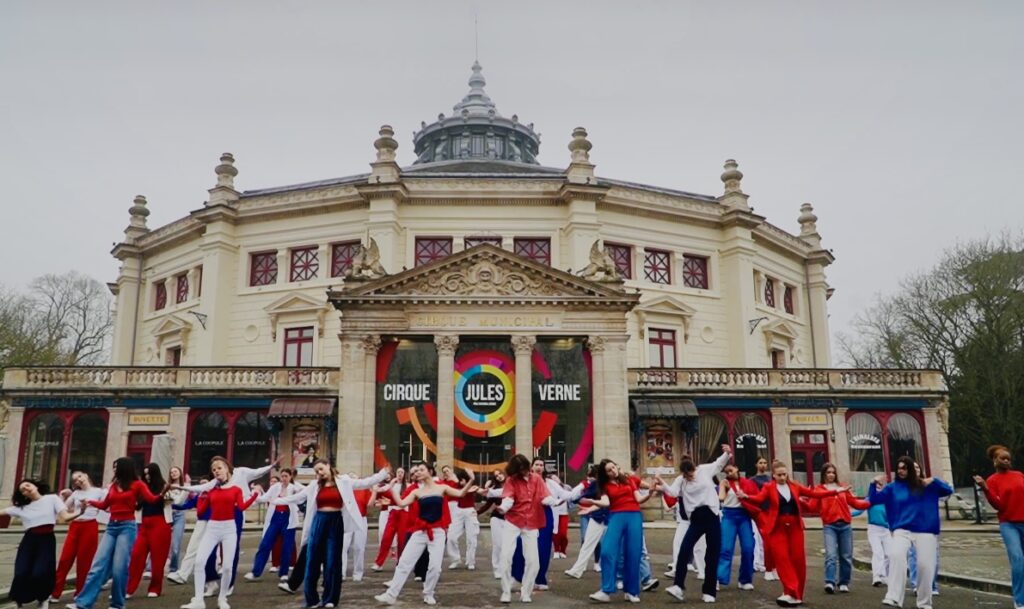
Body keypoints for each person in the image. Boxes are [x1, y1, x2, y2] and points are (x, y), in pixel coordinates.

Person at [272, 460, 390, 609]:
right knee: (312, 561)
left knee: (332, 561)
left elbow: (365, 483)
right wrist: (277, 500)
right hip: (318, 522)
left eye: (321, 469)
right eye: (316, 471)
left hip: (335, 522)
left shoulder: (344, 481)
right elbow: (299, 497)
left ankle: (330, 599)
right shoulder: (315, 485)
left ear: (328, 466)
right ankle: (312, 599)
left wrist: (383, 473)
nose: (319, 473)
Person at [734, 460, 846, 607]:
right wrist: (746, 496)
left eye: (784, 474)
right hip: (777, 526)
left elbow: (813, 493)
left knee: (798, 559)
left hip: (794, 526)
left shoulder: (794, 486)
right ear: (773, 475)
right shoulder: (769, 487)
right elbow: (760, 499)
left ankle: (796, 594)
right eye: (779, 475)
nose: (782, 477)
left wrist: (835, 491)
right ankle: (790, 591)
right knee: (782, 559)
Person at [374, 463, 478, 605]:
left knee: (435, 567)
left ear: (429, 471)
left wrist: (471, 480)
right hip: (420, 531)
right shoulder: (417, 492)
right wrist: (392, 490)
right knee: (404, 562)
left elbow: (460, 494)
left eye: (421, 470)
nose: (418, 472)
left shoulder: (441, 488)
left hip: (437, 532)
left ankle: (428, 593)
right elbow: (402, 503)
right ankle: (391, 594)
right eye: (417, 471)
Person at [69, 458, 166, 609]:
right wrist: (90, 502)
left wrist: (164, 492)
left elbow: (152, 500)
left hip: (127, 528)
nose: (114, 470)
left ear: (124, 468)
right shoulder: (114, 486)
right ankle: (83, 603)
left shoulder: (138, 485)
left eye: (116, 467)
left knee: (119, 568)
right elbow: (105, 504)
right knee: (97, 566)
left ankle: (117, 604)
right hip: (111, 527)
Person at [175, 458, 278, 596]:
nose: (216, 471)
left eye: (219, 467)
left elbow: (257, 472)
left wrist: (272, 465)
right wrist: (181, 487)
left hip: (236, 512)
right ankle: (211, 582)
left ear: (226, 467)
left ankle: (229, 584)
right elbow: (201, 488)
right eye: (214, 469)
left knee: (232, 550)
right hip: (218, 514)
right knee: (209, 551)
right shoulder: (216, 483)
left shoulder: (241, 472)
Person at [869, 456, 952, 609]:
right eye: (899, 467)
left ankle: (924, 602)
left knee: (925, 565)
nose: (901, 471)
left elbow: (948, 490)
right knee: (896, 555)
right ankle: (893, 597)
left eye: (905, 468)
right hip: (902, 529)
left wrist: (934, 480)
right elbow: (874, 499)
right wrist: (873, 484)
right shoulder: (892, 487)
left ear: (912, 470)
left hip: (925, 530)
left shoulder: (926, 485)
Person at [659, 445, 732, 604]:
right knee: (685, 549)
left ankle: (709, 591)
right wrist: (661, 483)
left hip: (712, 515)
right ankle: (678, 585)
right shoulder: (681, 480)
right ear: (683, 473)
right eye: (688, 474)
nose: (691, 476)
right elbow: (672, 492)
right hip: (696, 518)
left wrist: (727, 452)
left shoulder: (704, 470)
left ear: (694, 467)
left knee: (712, 553)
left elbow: (719, 464)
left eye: (692, 472)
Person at [583, 459, 654, 603]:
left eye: (613, 467)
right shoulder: (604, 485)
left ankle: (631, 591)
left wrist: (650, 492)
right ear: (605, 473)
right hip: (616, 515)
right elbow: (606, 502)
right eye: (609, 470)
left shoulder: (628, 479)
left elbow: (639, 499)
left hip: (634, 515)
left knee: (633, 553)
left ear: (617, 467)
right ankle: (606, 590)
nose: (613, 471)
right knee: (607, 551)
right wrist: (593, 503)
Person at [495, 453, 562, 604]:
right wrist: (503, 508)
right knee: (505, 556)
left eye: (525, 468)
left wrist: (555, 502)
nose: (524, 472)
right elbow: (508, 498)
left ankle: (526, 592)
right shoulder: (511, 480)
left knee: (533, 561)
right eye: (520, 470)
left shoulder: (537, 479)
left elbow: (544, 496)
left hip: (532, 521)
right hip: (513, 520)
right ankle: (506, 592)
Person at [4, 479, 80, 609]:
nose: (26, 489)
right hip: (29, 540)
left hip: (46, 540)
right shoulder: (21, 508)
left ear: (35, 485)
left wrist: (81, 512)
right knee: (21, 572)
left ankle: (43, 598)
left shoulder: (52, 499)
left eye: (27, 485)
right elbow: (3, 512)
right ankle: (19, 601)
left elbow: (65, 517)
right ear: (23, 495)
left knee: (40, 572)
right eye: (22, 489)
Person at [809, 463, 870, 594]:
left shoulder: (843, 488)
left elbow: (855, 503)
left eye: (833, 472)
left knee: (846, 556)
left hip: (845, 525)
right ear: (823, 474)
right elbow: (811, 507)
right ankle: (830, 582)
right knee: (831, 555)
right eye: (828, 472)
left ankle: (843, 582)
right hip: (829, 525)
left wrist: (871, 501)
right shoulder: (819, 489)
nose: (831, 475)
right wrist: (800, 499)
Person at [976, 444, 1024, 609]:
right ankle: (1020, 600)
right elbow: (999, 506)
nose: (1006, 461)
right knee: (1018, 559)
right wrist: (986, 489)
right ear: (994, 461)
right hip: (1008, 524)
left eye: (1008, 459)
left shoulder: (1019, 475)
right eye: (1003, 458)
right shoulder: (991, 481)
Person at [50, 472, 106, 602]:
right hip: (75, 526)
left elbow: (107, 505)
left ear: (86, 476)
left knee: (84, 562)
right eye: (75, 480)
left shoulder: (98, 492)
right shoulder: (75, 494)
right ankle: (55, 592)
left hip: (90, 525)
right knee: (65, 559)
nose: (78, 480)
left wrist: (95, 506)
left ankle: (80, 593)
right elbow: (63, 509)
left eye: (79, 476)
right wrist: (61, 497)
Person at [245, 468, 304, 581]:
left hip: (288, 519)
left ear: (291, 477)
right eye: (282, 476)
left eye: (286, 476)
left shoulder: (295, 488)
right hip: (275, 518)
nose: (284, 479)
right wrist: (255, 494)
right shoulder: (275, 487)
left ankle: (284, 573)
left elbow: (303, 497)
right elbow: (264, 498)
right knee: (265, 544)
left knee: (287, 546)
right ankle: (255, 572)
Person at [127, 463, 174, 598]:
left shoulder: (163, 487)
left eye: (149, 474)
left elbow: (172, 501)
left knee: (158, 559)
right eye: (145, 474)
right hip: (144, 524)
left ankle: (155, 588)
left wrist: (167, 493)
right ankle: (128, 588)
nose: (147, 477)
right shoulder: (141, 487)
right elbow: (136, 506)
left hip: (160, 523)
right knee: (136, 555)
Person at [716, 463, 759, 590]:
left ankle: (745, 579)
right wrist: (723, 487)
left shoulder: (748, 483)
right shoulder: (724, 482)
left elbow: (756, 498)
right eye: (727, 472)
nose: (729, 473)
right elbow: (721, 498)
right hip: (729, 515)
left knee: (748, 547)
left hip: (744, 516)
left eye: (731, 470)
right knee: (725, 548)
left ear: (737, 468)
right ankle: (719, 578)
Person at [564, 465, 607, 579]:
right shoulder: (595, 484)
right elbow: (581, 496)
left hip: (611, 517)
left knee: (612, 546)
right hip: (597, 517)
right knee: (587, 543)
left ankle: (614, 572)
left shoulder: (612, 484)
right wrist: (583, 502)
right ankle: (577, 570)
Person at [166, 481, 211, 585]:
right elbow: (186, 505)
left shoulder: (213, 492)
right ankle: (183, 574)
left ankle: (214, 574)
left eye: (205, 483)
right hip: (203, 521)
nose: (203, 485)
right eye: (201, 483)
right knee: (193, 548)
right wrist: (170, 506)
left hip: (212, 522)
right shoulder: (200, 495)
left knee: (204, 550)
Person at [372, 468, 408, 572]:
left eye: (402, 472)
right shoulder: (391, 485)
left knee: (402, 539)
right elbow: (380, 490)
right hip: (392, 512)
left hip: (403, 512)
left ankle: (400, 562)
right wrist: (391, 483)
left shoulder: (408, 486)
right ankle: (379, 563)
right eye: (398, 472)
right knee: (386, 537)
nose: (400, 474)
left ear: (405, 474)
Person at [445, 467, 480, 570]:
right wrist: (449, 473)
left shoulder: (473, 486)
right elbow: (450, 480)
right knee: (451, 536)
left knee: (471, 538)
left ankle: (470, 561)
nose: (462, 482)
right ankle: (455, 559)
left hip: (470, 511)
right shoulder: (456, 486)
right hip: (458, 511)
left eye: (463, 480)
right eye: (460, 480)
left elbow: (483, 491)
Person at [341, 471, 373, 581]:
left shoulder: (364, 489)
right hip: (346, 518)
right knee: (343, 546)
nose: (352, 480)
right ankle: (341, 572)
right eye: (350, 477)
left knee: (359, 547)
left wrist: (375, 492)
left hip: (360, 518)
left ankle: (358, 573)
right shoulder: (343, 489)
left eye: (354, 477)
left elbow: (370, 504)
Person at [749, 457, 776, 580]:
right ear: (756, 465)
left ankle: (768, 564)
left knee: (769, 539)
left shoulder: (771, 479)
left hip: (770, 511)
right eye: (761, 463)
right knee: (759, 538)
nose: (763, 465)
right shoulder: (752, 480)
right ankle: (758, 562)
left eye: (765, 463)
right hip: (758, 512)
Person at [852, 503, 892, 587]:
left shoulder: (888, 498)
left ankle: (885, 576)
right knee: (878, 552)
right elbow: (859, 510)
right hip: (874, 529)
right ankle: (876, 576)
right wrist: (846, 514)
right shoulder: (871, 499)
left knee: (889, 554)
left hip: (886, 530)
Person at [478, 469, 507, 580]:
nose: (499, 476)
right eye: (496, 476)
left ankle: (506, 568)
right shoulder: (494, 489)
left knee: (508, 545)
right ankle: (497, 569)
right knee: (498, 544)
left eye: (500, 473)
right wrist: (477, 512)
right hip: (496, 518)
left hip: (510, 519)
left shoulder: (512, 484)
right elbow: (488, 504)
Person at [167, 467, 190, 575]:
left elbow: (179, 502)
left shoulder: (185, 486)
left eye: (175, 471)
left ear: (180, 473)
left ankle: (174, 568)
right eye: (171, 472)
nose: (173, 473)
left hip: (179, 515)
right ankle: (150, 568)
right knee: (162, 543)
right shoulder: (167, 487)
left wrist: (186, 487)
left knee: (175, 545)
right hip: (168, 515)